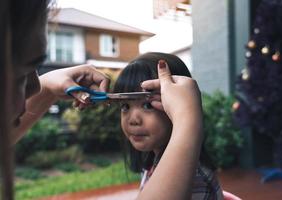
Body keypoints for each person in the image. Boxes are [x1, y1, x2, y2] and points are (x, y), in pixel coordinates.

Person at [1, 1, 204, 199]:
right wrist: (188, 119)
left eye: (147, 104)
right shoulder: (175, 171)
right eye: (124, 106)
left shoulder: (189, 177)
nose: (35, 87)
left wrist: (47, 86)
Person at [114, 52, 224, 199]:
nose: (133, 119)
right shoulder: (153, 161)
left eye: (147, 105)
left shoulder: (193, 179)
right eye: (125, 106)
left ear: (178, 106)